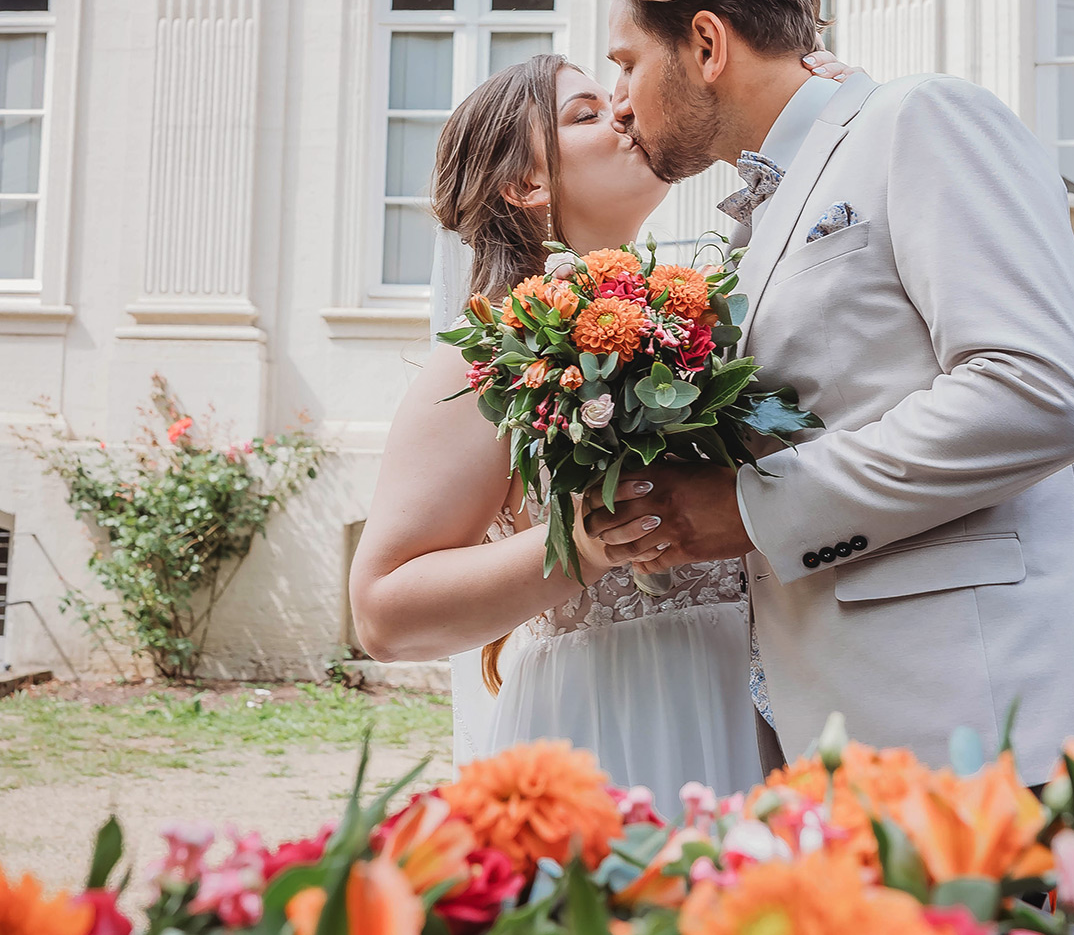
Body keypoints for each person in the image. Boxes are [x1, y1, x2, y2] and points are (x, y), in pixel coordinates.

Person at [580, 0, 1074, 785]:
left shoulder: (920, 118)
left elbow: (1039, 391)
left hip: (1002, 738)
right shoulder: (759, 209)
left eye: (626, 63)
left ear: (706, 44)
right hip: (854, 749)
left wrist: (747, 509)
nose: (617, 102)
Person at [348, 49, 845, 804]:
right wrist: (581, 547)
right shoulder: (482, 364)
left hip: (767, 714)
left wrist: (821, 116)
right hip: (610, 731)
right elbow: (383, 613)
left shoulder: (705, 319)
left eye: (615, 98)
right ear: (527, 184)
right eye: (584, 114)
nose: (622, 113)